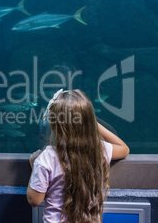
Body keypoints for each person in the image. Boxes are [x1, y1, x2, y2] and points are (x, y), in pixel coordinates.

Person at [27, 89, 129, 223]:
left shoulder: (46, 158)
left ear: (54, 123)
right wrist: (90, 120)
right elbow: (124, 149)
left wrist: (34, 165)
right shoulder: (97, 149)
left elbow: (34, 200)